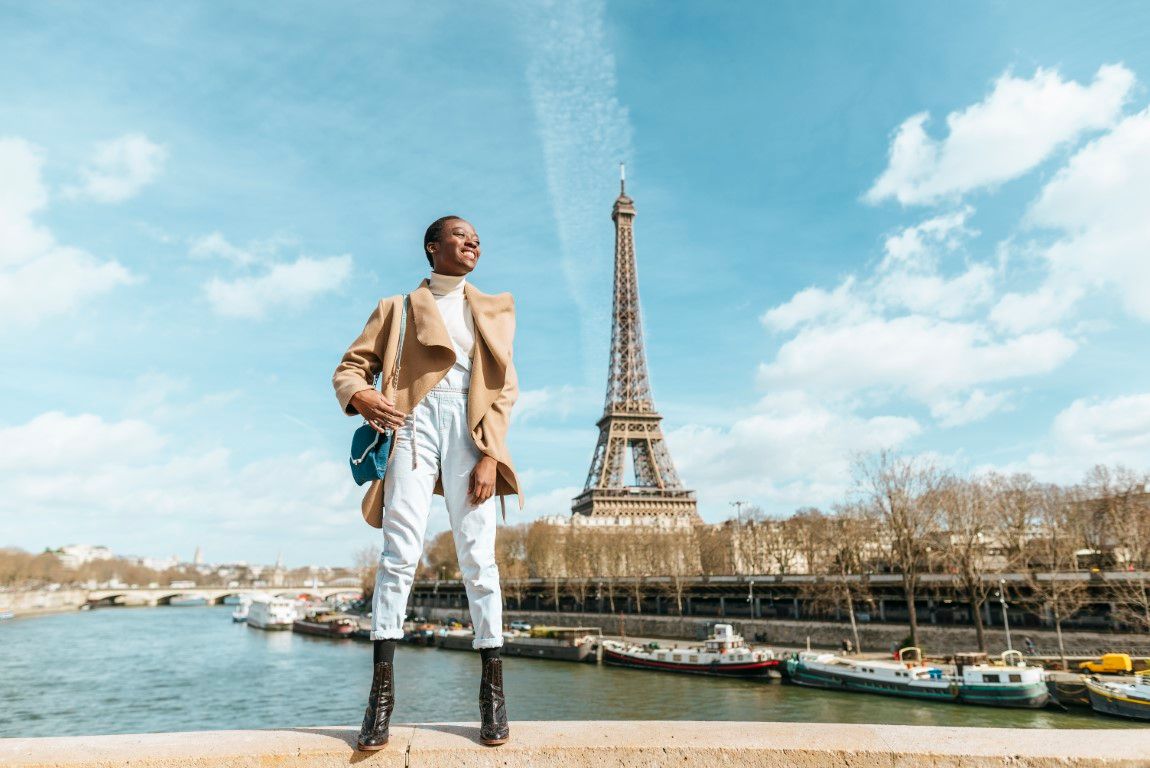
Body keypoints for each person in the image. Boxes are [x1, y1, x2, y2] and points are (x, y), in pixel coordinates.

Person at [332, 215, 523, 750]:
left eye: (478, 239)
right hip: (412, 423)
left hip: (470, 428)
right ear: (432, 248)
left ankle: (492, 693)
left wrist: (491, 453)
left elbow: (504, 390)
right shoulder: (396, 309)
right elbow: (349, 368)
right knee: (399, 554)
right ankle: (381, 698)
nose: (473, 243)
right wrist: (362, 396)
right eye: (460, 236)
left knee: (479, 558)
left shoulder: (491, 311)